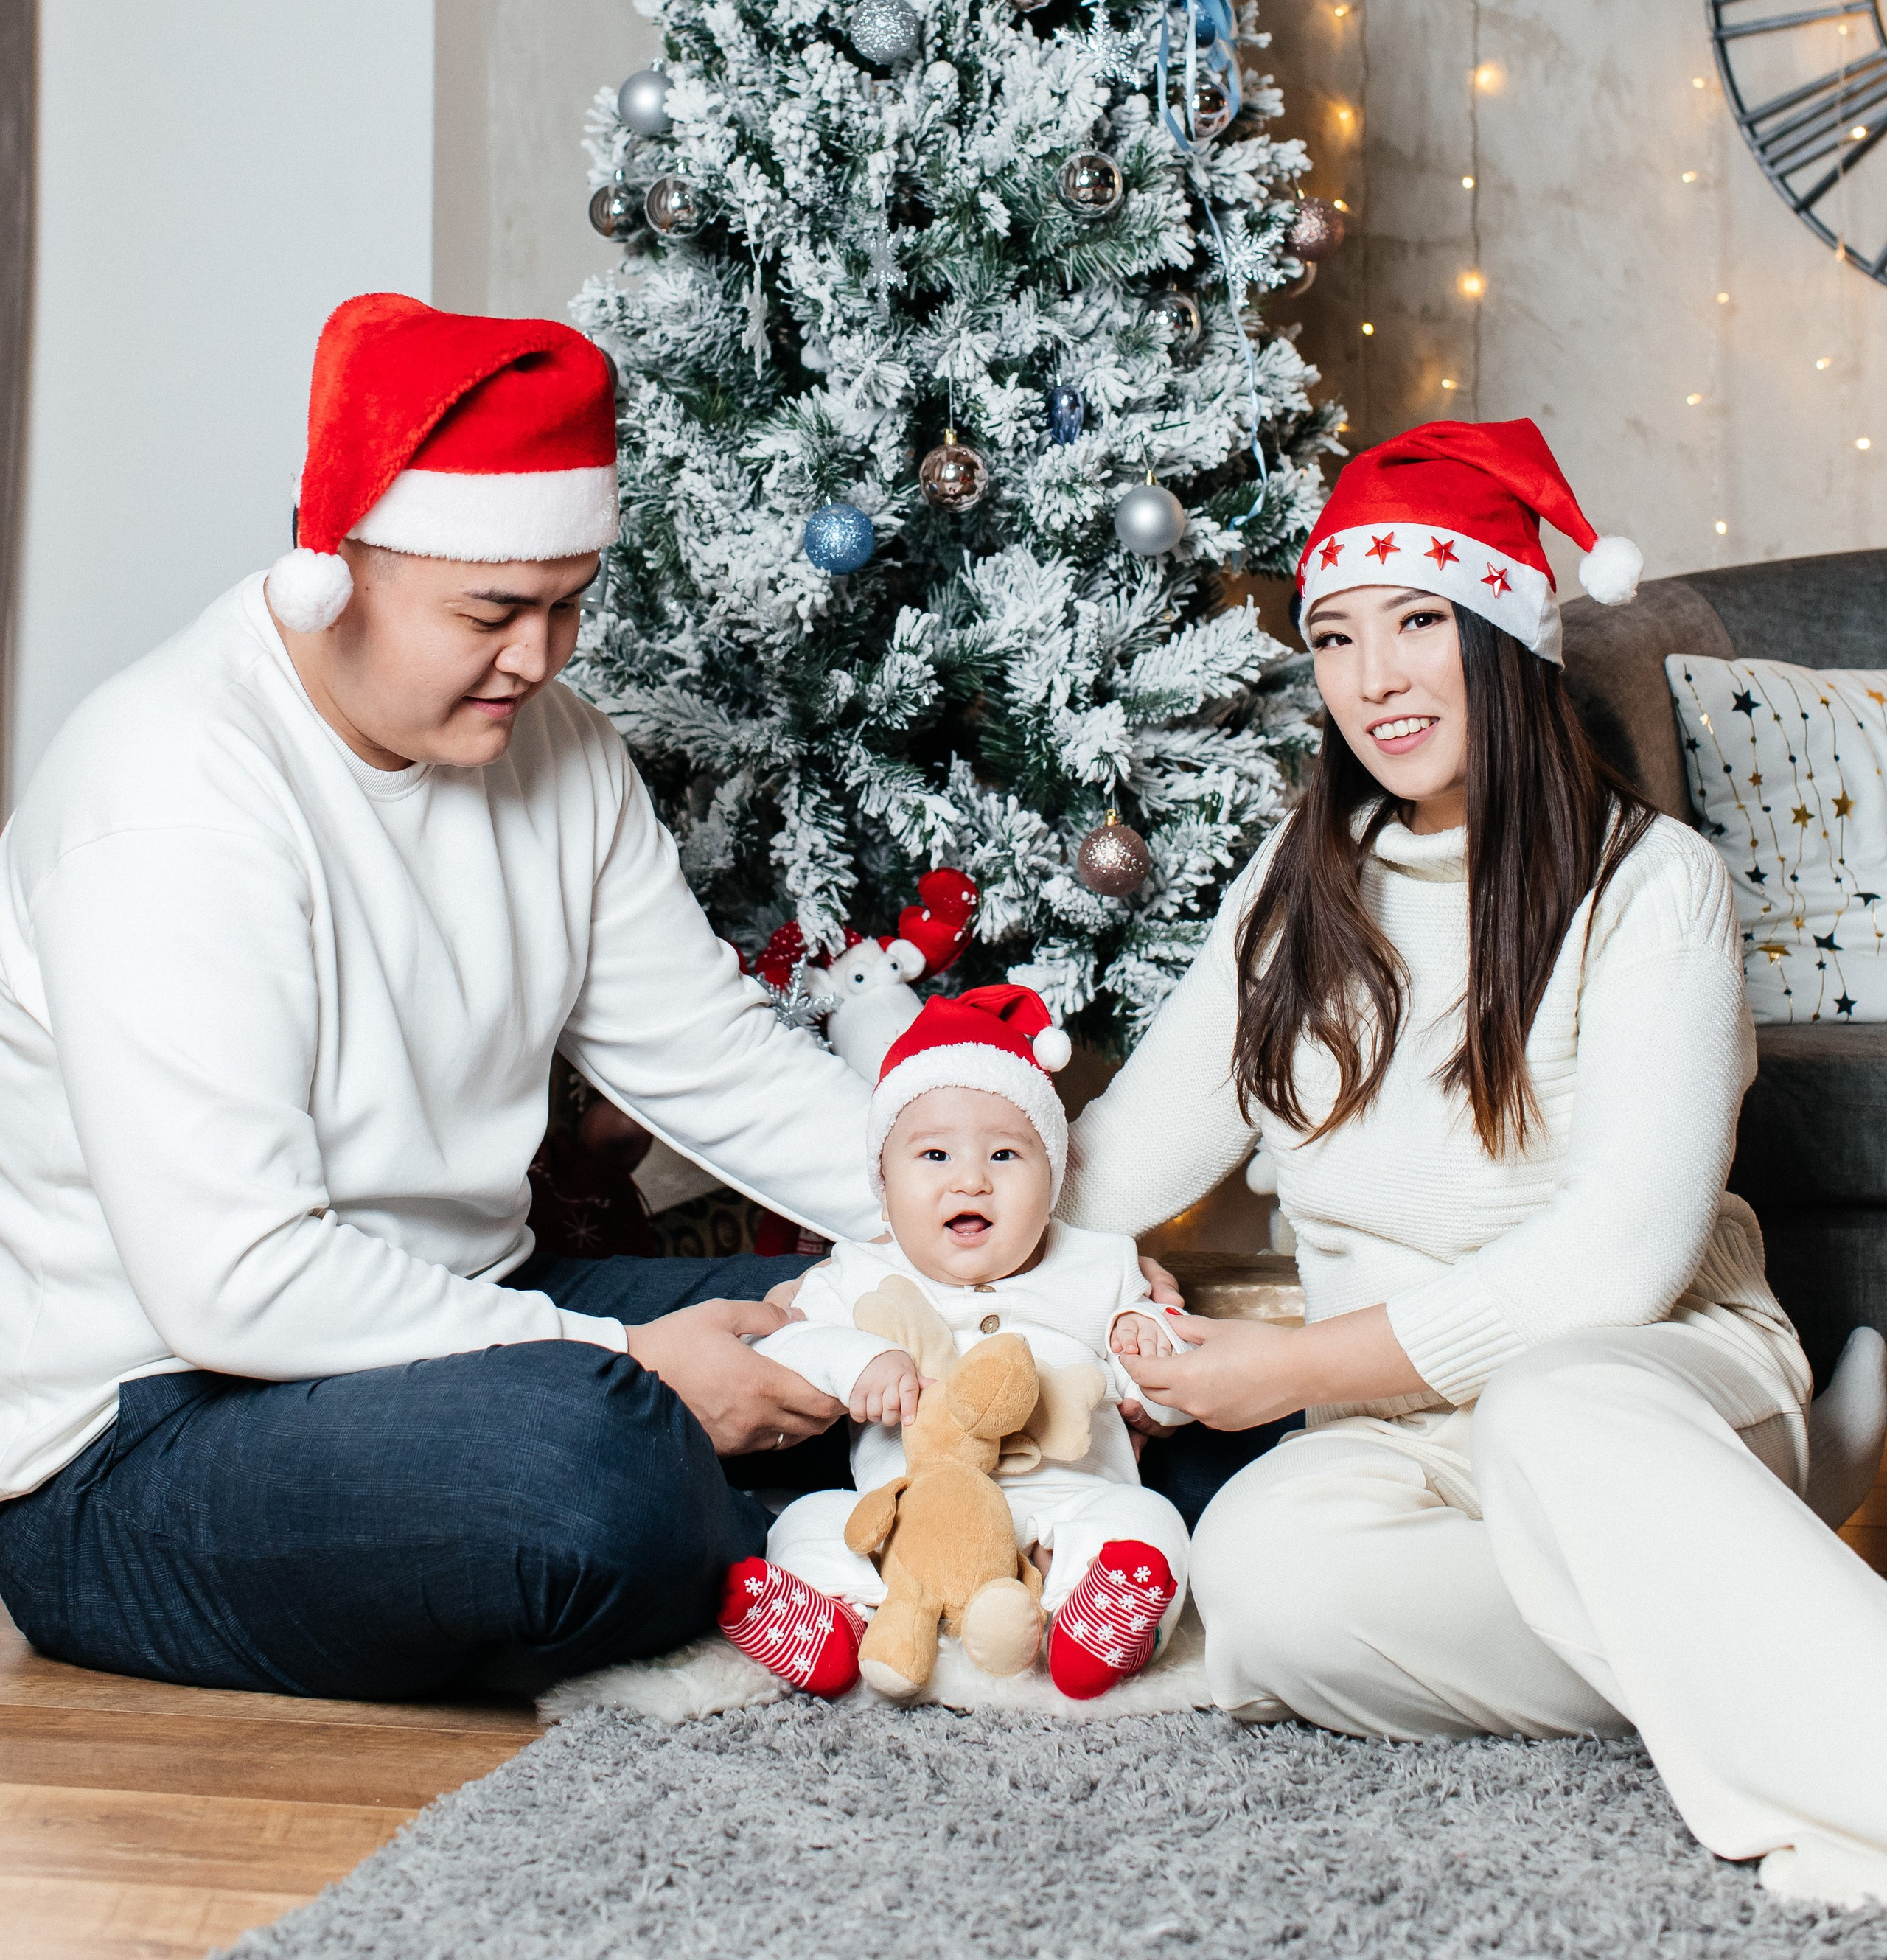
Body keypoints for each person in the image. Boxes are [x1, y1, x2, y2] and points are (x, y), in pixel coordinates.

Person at [0, 292, 890, 1701]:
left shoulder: (560, 752)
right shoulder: (170, 794)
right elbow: (235, 1285)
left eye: (568, 606)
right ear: (335, 569)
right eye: (493, 612)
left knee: (923, 1330)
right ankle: (881, 1525)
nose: (538, 659)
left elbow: (716, 1060)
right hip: (148, 1440)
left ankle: (861, 1525)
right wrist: (641, 1374)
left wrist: (991, 1254)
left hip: (483, 1318)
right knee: (583, 1479)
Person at [1058, 418, 1887, 1911]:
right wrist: (950, 1208)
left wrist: (1290, 1363)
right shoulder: (1291, 889)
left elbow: (1620, 1257)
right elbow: (1119, 1162)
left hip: (1641, 1381)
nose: (1371, 679)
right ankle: (1758, 1583)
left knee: (1546, 1418)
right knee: (1258, 1583)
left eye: (1416, 623)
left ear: (1502, 631)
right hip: (1402, 1438)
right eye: (1331, 636)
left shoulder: (1654, 888)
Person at [718, 984, 1192, 1702]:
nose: (970, 1178)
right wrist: (858, 1361)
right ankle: (839, 1620)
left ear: (1053, 1174)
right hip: (907, 1524)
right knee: (811, 1519)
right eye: (933, 1155)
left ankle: (1089, 1621)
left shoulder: (1102, 1265)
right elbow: (783, 1351)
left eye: (1005, 1155)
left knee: (1149, 1524)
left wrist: (1152, 1354)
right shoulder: (858, 1270)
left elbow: (1174, 1392)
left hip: (1061, 1516)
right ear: (884, 1184)